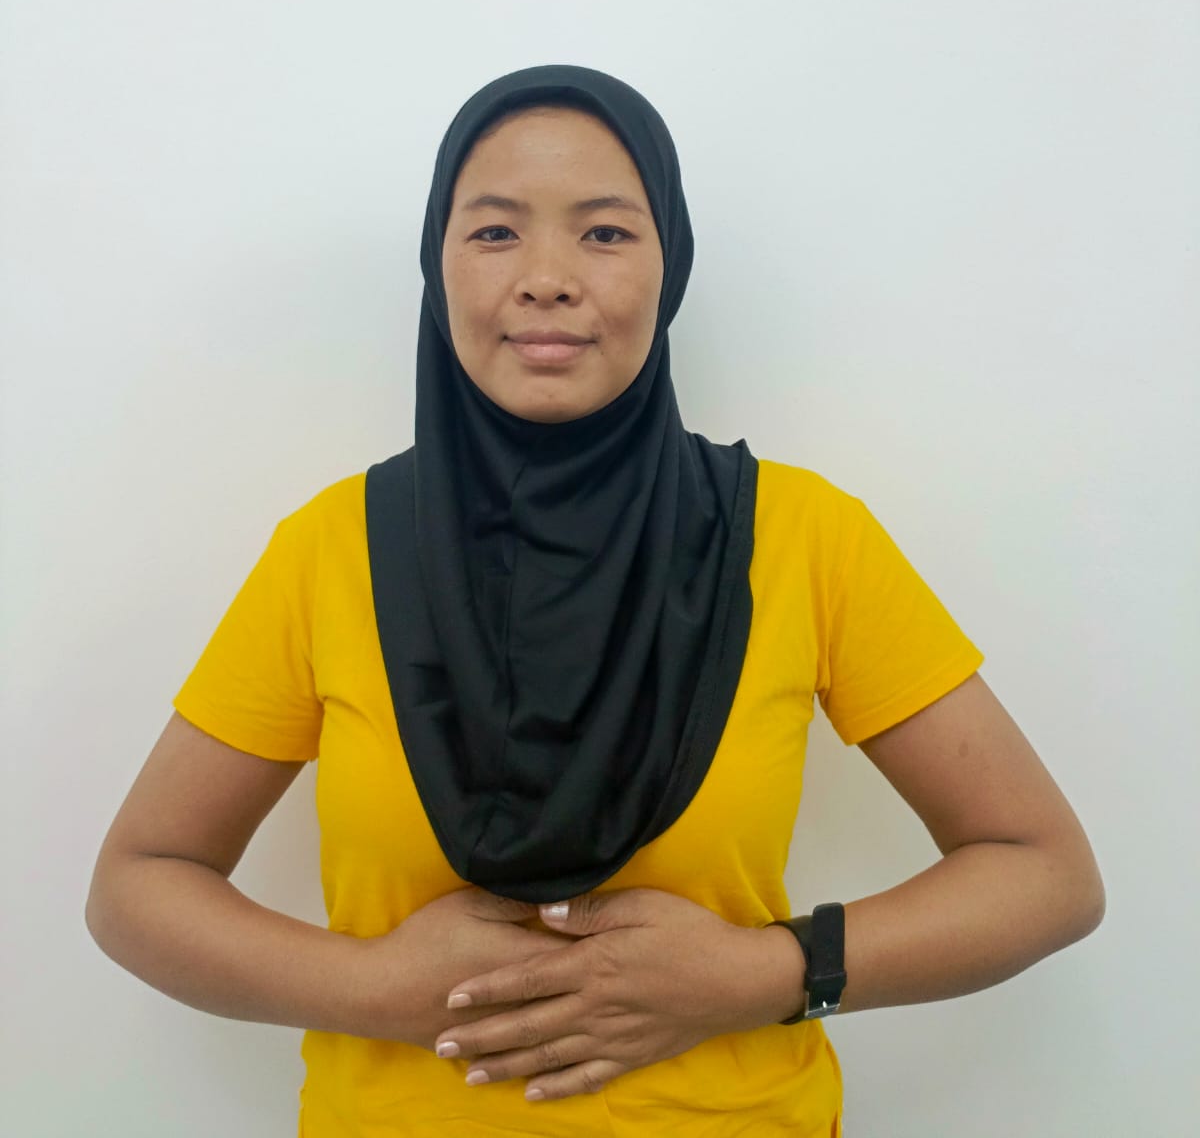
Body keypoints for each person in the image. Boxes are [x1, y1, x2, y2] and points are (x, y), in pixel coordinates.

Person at [86, 65, 1105, 1137]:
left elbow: (1045, 873)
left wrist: (765, 972)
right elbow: (138, 884)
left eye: (606, 233)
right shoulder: (332, 549)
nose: (547, 279)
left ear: (672, 266)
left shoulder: (803, 538)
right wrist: (375, 990)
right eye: (495, 232)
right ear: (437, 263)